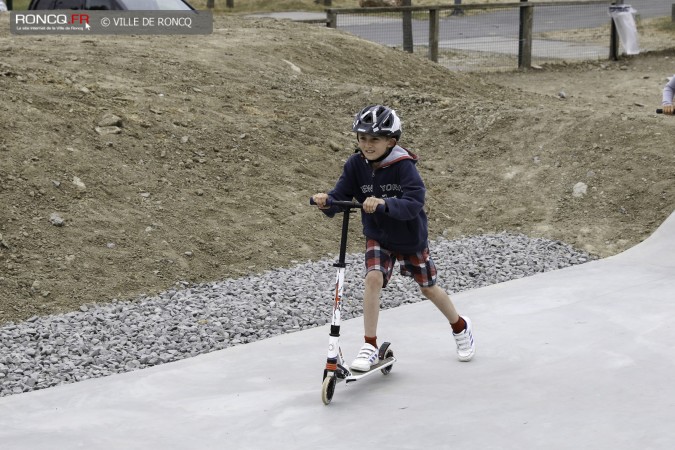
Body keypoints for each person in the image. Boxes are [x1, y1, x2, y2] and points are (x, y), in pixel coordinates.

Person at [311, 104, 475, 372]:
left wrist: (385, 203)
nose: (367, 144)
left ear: (391, 141)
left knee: (428, 288)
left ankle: (460, 326)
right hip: (378, 236)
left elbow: (414, 201)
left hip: (410, 237)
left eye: (374, 139)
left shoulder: (403, 165)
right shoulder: (355, 165)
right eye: (362, 138)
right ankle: (370, 345)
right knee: (372, 278)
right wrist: (326, 202)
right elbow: (341, 196)